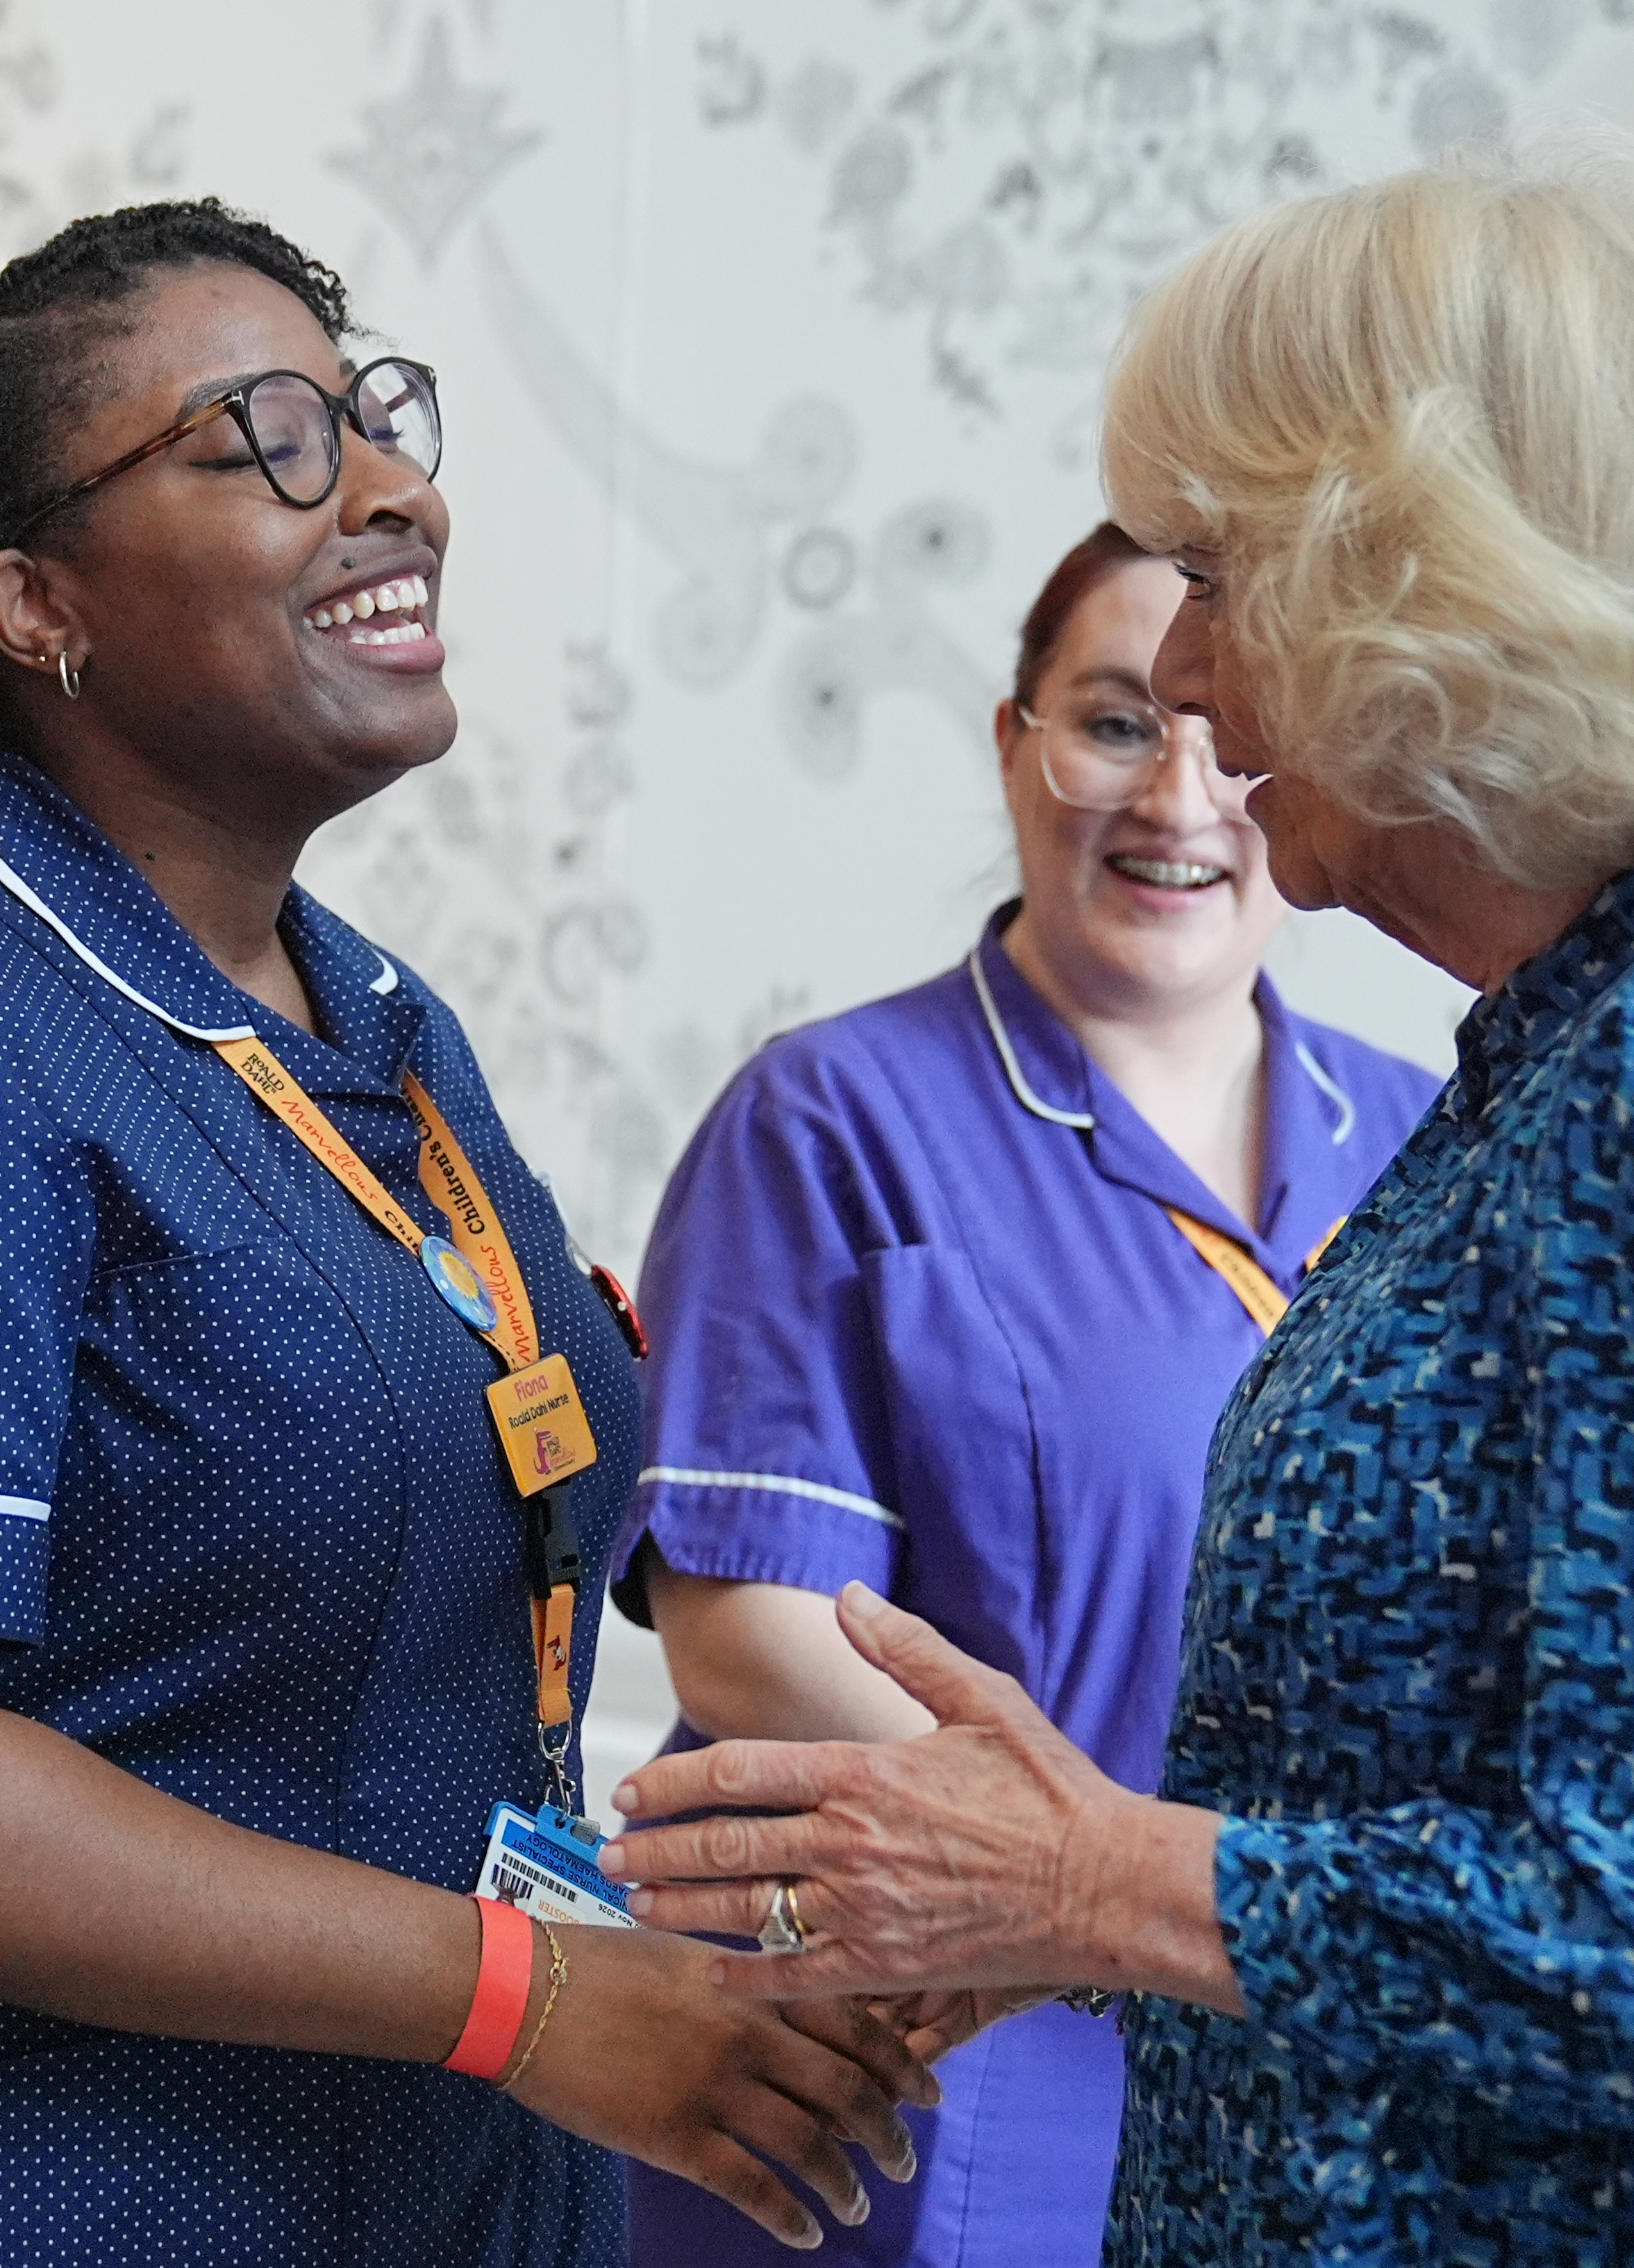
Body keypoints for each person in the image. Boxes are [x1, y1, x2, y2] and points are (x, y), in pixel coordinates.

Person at [601, 140, 1634, 2266]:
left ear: (1440, 585)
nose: (1198, 691)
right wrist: (1100, 1887)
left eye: (1221, 575)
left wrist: (1104, 1878)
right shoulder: (1593, 1032)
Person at [0, 201, 927, 2268]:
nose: (393, 488)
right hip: (8, 2203)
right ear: (38, 605)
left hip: (396, 2174)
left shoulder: (371, 1022)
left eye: (374, 413)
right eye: (263, 439)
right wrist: (531, 1995)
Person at [610, 523, 1436, 2265]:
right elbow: (746, 1625)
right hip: (932, 2052)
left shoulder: (1443, 1134)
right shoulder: (833, 1118)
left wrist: (1175, 1907)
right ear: (1012, 745)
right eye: (1116, 724)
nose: (1180, 796)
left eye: (1230, 729)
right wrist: (1075, 1885)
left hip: (1294, 2026)